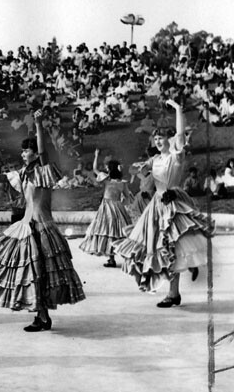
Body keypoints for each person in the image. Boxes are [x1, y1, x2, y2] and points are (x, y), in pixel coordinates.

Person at [0, 110, 85, 332]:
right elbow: (6, 177)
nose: (23, 153)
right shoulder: (24, 173)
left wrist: (39, 122)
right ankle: (42, 316)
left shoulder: (44, 171)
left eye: (27, 150)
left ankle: (41, 317)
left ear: (36, 153)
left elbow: (43, 150)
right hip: (25, 226)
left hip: (42, 228)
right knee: (26, 270)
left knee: (39, 273)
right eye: (23, 150)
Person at [113, 100, 214, 307]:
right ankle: (174, 292)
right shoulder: (156, 159)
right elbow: (138, 171)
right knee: (160, 247)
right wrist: (140, 169)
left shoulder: (175, 156)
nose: (158, 141)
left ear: (170, 140)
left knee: (172, 247)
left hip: (173, 202)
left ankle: (173, 293)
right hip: (156, 206)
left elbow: (179, 134)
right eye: (156, 139)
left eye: (162, 138)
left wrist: (178, 109)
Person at [78, 149, 133, 268]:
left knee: (108, 231)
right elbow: (127, 197)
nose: (106, 169)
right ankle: (123, 256)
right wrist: (123, 204)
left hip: (107, 206)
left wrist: (96, 156)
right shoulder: (122, 183)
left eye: (108, 167)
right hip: (117, 206)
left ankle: (112, 258)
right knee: (117, 231)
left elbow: (95, 169)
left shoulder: (107, 180)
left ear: (110, 169)